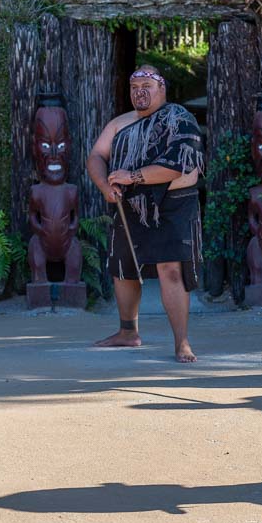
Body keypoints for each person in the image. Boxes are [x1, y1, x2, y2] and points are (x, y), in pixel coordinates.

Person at [87, 65, 204, 362]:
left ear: (161, 88)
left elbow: (177, 164)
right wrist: (104, 185)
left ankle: (182, 342)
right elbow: (97, 155)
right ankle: (128, 332)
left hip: (173, 204)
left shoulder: (179, 118)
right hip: (130, 204)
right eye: (134, 85)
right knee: (124, 269)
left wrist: (132, 176)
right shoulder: (120, 123)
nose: (139, 90)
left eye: (146, 85)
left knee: (171, 270)